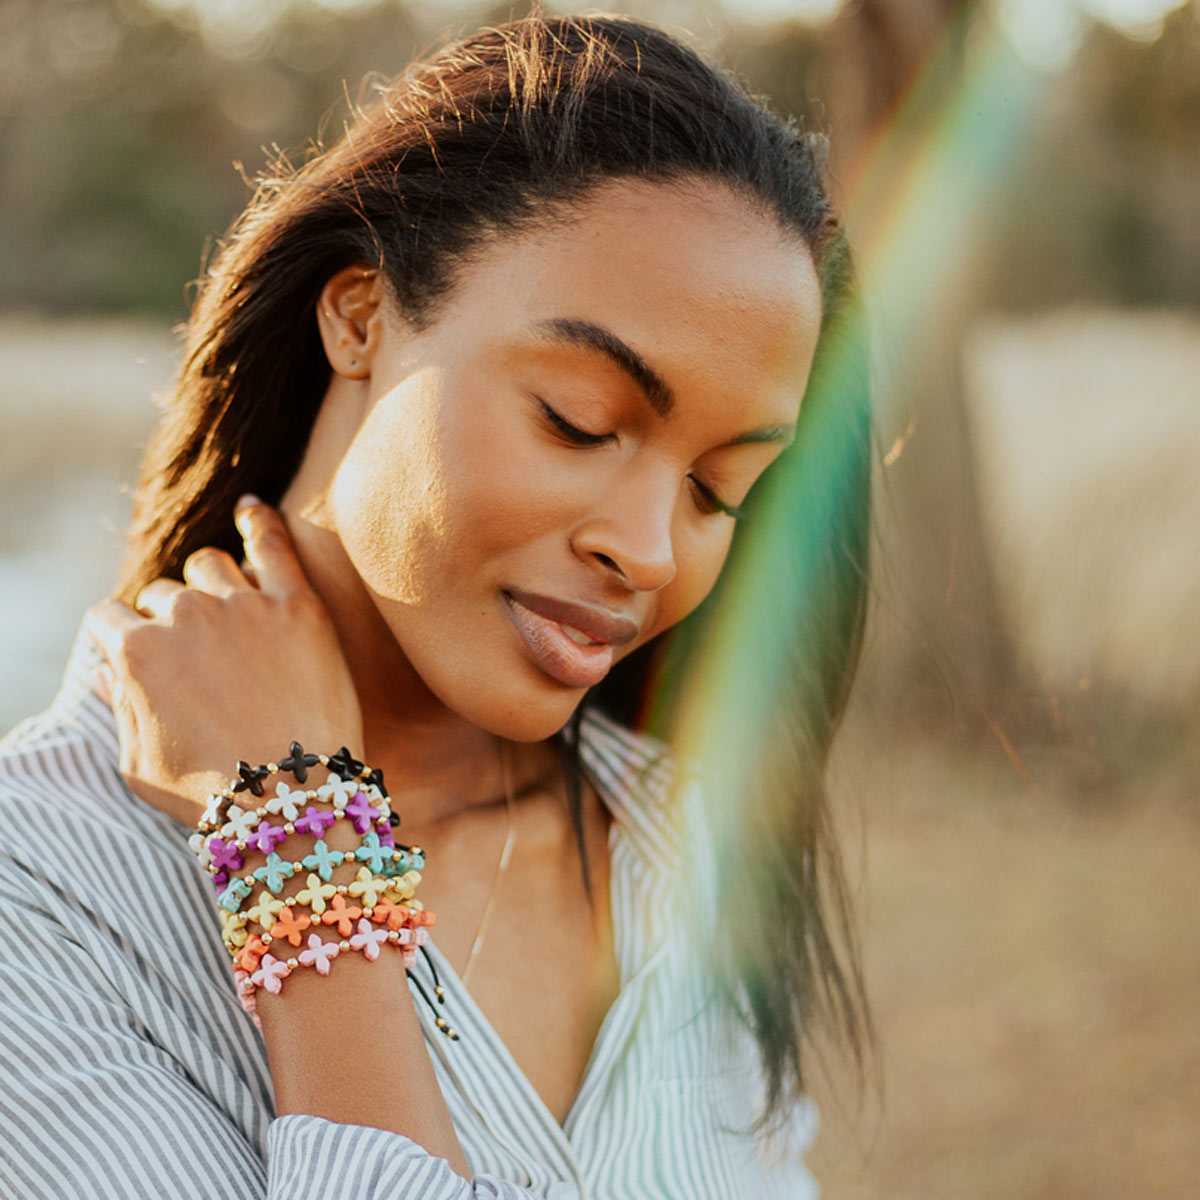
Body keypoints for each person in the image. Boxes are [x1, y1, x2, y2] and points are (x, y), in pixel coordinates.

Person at [0, 12, 872, 1198]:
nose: (650, 550)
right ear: (361, 316)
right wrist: (304, 872)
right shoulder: (45, 896)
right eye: (578, 420)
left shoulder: (683, 846)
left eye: (720, 492)